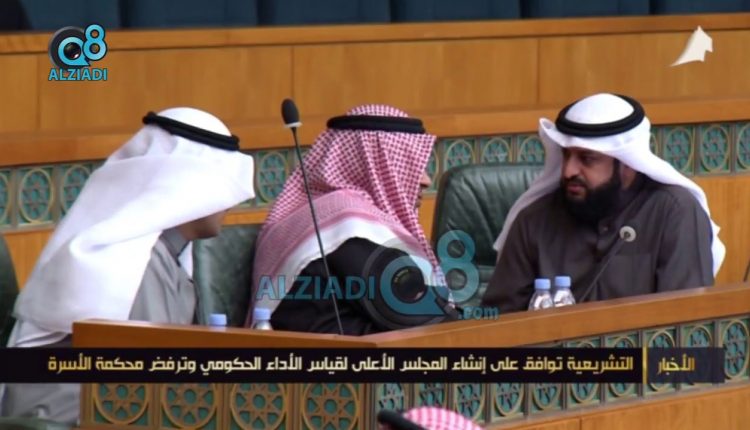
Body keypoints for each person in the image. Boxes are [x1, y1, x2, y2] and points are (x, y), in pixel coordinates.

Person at [1, 107, 255, 423]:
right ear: (190, 184)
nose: (233, 201)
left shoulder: (165, 253)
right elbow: (150, 384)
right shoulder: (129, 263)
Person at [483, 93, 725, 313]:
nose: (568, 171)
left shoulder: (674, 213)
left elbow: (685, 321)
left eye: (587, 159)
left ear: (627, 163)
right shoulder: (534, 220)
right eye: (566, 155)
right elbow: (498, 323)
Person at [249, 104, 457, 335]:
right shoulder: (349, 228)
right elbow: (425, 318)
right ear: (373, 166)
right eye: (411, 167)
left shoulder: (320, 211)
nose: (426, 181)